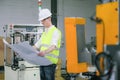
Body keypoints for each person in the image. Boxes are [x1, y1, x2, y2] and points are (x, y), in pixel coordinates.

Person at [33, 8, 62, 80]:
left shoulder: (55, 31)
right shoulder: (44, 33)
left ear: (49, 18)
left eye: (43, 20)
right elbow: (36, 46)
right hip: (42, 61)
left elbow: (53, 46)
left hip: (50, 63)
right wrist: (24, 50)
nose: (41, 22)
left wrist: (44, 52)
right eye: (41, 20)